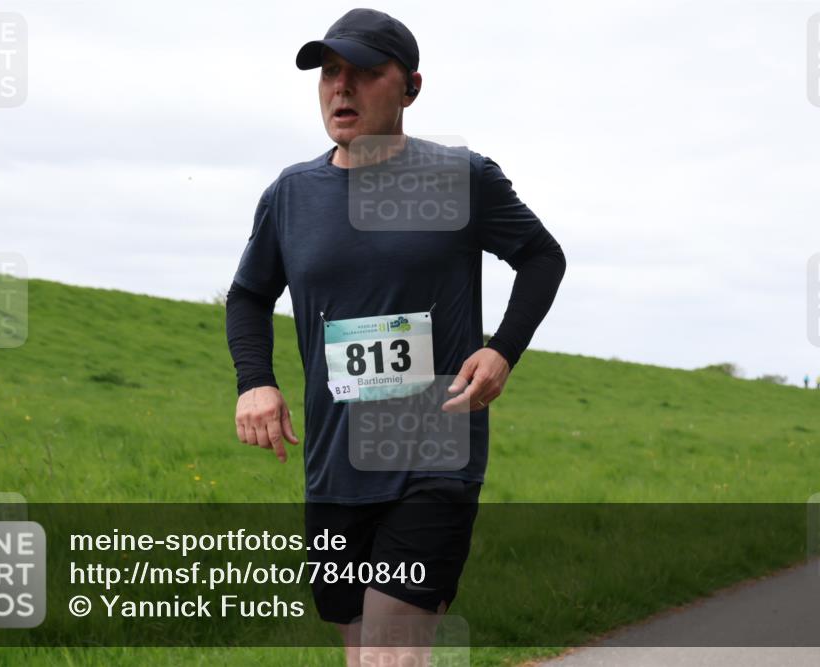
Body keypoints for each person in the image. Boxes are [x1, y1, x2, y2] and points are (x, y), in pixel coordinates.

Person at [225, 8, 565, 665]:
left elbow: (542, 257)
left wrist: (503, 349)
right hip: (334, 465)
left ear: (409, 86)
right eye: (329, 73)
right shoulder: (291, 195)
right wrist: (255, 381)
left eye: (363, 73)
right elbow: (247, 295)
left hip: (433, 455)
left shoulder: (461, 177)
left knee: (391, 652)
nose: (340, 88)